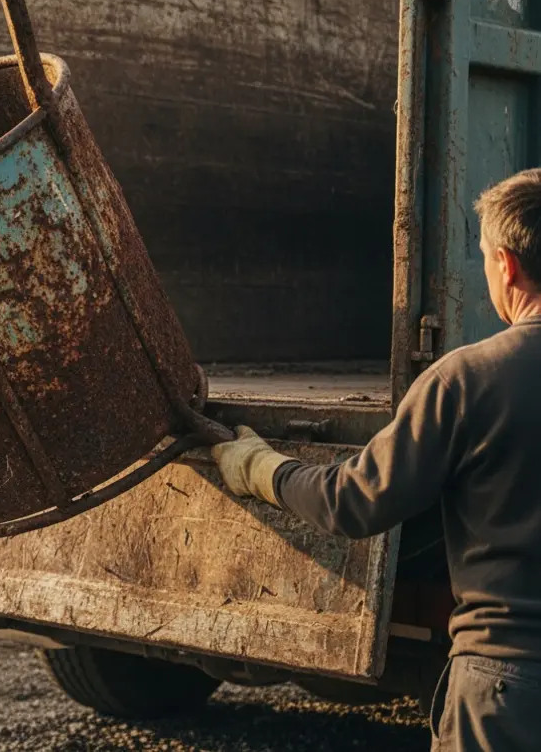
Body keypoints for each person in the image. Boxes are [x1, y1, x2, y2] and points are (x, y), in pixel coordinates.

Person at [212, 169, 541, 752]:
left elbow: (356, 502)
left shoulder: (469, 380)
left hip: (505, 689)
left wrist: (262, 469)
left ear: (507, 265)